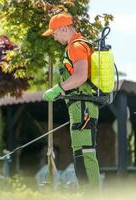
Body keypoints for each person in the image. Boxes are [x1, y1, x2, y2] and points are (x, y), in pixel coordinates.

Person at [42, 13, 101, 192]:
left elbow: (81, 76)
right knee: (81, 153)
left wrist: (58, 88)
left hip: (83, 107)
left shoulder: (75, 46)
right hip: (81, 106)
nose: (54, 37)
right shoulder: (78, 45)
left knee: (85, 153)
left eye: (55, 33)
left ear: (64, 28)